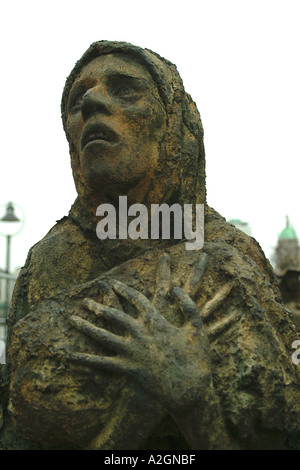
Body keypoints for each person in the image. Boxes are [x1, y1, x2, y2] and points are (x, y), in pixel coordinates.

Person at [0, 41, 299, 450]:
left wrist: (195, 404)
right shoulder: (48, 262)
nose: (90, 102)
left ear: (173, 127)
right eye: (75, 101)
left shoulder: (230, 255)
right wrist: (141, 405)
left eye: (125, 89)